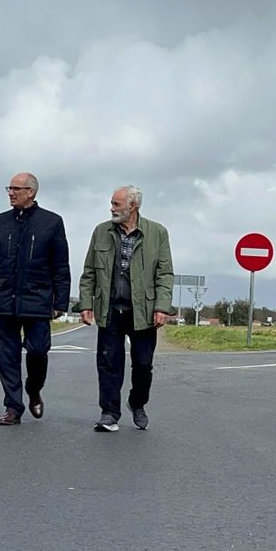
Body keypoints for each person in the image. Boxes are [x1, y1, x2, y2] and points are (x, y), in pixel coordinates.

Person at [0, 171, 70, 426]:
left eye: (16, 189)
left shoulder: (51, 222)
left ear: (31, 192)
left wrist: (60, 302)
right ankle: (13, 407)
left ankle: (34, 389)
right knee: (7, 357)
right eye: (9, 188)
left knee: (38, 351)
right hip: (4, 299)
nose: (11, 193)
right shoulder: (0, 222)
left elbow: (60, 265)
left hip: (38, 300)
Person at [78, 185, 174, 432]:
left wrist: (162, 307)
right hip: (110, 309)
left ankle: (137, 402)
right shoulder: (101, 231)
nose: (112, 208)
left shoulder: (157, 232)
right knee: (109, 363)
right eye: (112, 203)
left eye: (116, 204)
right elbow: (89, 271)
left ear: (133, 206)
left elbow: (165, 274)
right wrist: (86, 303)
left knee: (143, 364)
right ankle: (109, 413)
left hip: (143, 312)